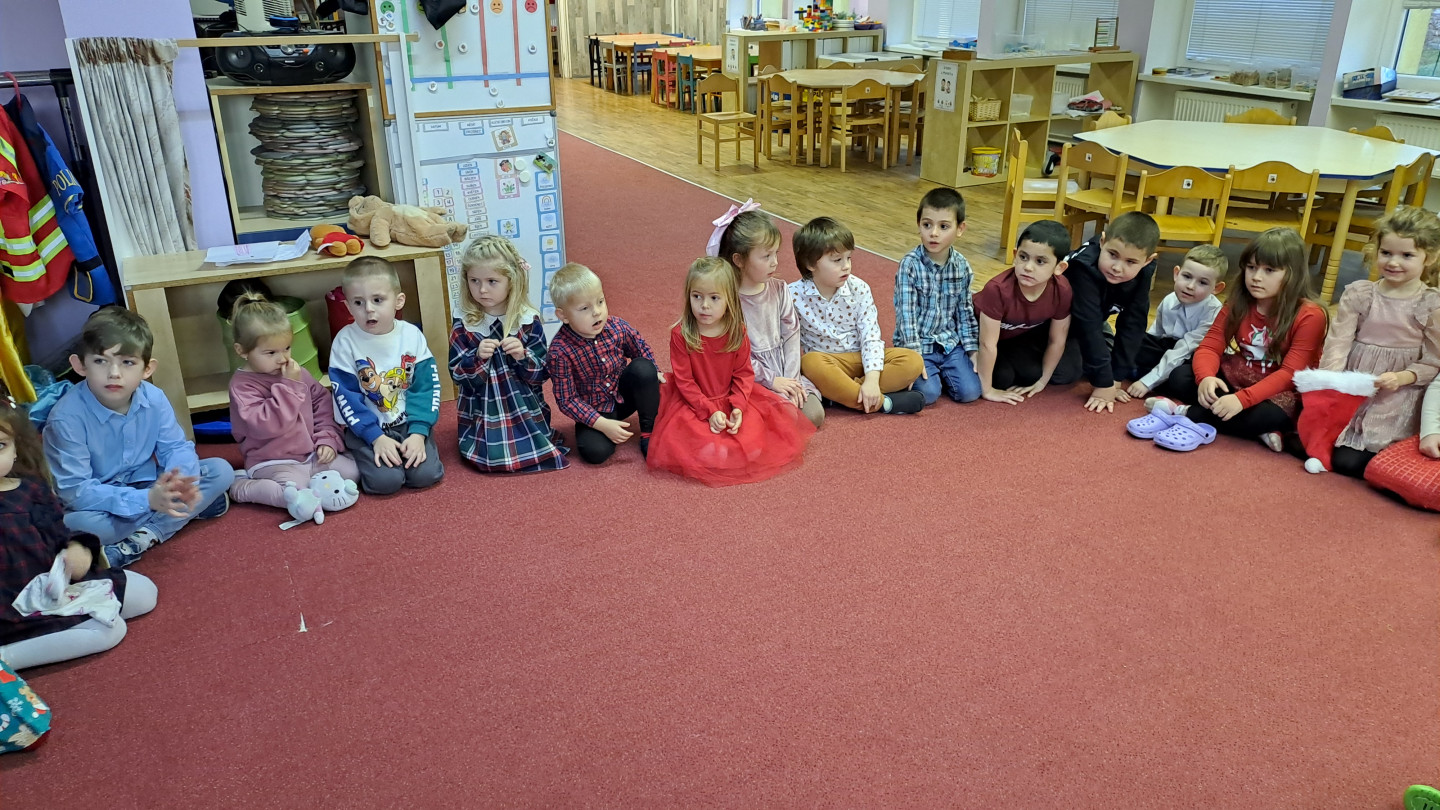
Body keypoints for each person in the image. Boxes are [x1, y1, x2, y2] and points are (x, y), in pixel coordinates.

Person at [43, 307, 234, 568]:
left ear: (147, 369)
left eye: (127, 362)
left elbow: (175, 447)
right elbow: (76, 492)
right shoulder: (65, 419)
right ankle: (181, 513)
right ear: (80, 365)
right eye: (100, 361)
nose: (114, 373)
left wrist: (178, 484)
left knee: (221, 470)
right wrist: (149, 501)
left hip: (147, 484)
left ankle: (141, 538)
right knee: (76, 525)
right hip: (102, 503)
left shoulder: (154, 397)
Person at [0, 404, 158, 670]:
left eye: (0, 445)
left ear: (15, 449)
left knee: (144, 593)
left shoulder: (31, 489)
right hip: (10, 608)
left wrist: (78, 549)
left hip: (50, 585)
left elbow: (59, 535)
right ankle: (6, 658)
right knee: (108, 630)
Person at [1153, 227, 1328, 450]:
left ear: (1292, 274)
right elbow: (1210, 346)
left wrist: (1241, 400)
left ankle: (1183, 412)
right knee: (1180, 377)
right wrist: (1206, 378)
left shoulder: (1310, 315)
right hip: (1239, 375)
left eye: (1269, 270)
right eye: (1251, 267)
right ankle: (1253, 428)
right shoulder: (1240, 301)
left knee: (1270, 415)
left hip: (1278, 391)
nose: (1256, 277)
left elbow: (1289, 374)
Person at [647, 257, 815, 486]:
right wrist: (709, 412)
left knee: (754, 445)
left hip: (732, 398)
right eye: (697, 296)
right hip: (695, 403)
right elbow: (685, 381)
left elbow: (743, 374)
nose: (704, 305)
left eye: (714, 298)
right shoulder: (681, 334)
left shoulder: (737, 331)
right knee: (703, 449)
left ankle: (730, 441)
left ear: (729, 300)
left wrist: (738, 406)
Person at [1312, 206, 1440, 478]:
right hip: (1354, 382)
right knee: (1323, 443)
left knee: (1352, 461)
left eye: (1406, 255)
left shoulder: (1431, 304)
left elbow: (1433, 361)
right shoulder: (1360, 294)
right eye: (1386, 253)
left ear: (1429, 258)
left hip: (1396, 393)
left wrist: (1402, 377)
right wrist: (1331, 385)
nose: (1393, 262)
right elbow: (1338, 343)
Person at [226, 293, 359, 516]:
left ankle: (309, 486)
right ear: (242, 351)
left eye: (287, 348)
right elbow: (268, 425)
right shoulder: (242, 387)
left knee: (353, 472)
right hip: (272, 462)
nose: (283, 359)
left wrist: (327, 439)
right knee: (295, 495)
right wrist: (288, 386)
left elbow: (322, 405)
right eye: (271, 352)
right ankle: (242, 487)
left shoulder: (296, 372)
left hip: (310, 454)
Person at [448, 235, 568, 473]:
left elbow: (542, 373)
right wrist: (477, 357)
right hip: (482, 410)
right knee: (490, 457)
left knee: (533, 444)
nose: (482, 289)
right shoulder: (465, 320)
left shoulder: (527, 319)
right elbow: (456, 373)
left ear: (511, 281)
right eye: (474, 281)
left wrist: (522, 355)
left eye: (492, 281)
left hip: (525, 407)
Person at [329, 256, 445, 494]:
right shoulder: (344, 342)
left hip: (408, 423)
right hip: (367, 428)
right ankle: (358, 454)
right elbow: (346, 397)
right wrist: (375, 437)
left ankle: (411, 445)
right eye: (358, 302)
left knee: (425, 475)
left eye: (378, 300)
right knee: (385, 483)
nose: (368, 309)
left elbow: (426, 387)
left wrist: (418, 432)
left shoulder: (411, 335)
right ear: (348, 307)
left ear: (398, 301)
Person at [789, 216, 925, 414]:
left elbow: (871, 336)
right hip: (827, 362)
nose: (846, 266)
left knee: (912, 360)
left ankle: (840, 396)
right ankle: (884, 403)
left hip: (861, 359)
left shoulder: (859, 288)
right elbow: (788, 341)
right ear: (810, 264)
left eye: (849, 258)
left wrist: (871, 380)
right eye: (837, 260)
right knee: (810, 362)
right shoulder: (792, 296)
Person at [712, 204, 824, 428]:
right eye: (766, 256)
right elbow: (736, 356)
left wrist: (791, 382)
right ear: (739, 260)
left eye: (775, 254)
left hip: (783, 369)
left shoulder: (780, 288)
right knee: (779, 418)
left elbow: (792, 336)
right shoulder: (727, 299)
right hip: (749, 375)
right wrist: (772, 381)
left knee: (814, 415)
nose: (775, 262)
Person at [547, 262, 662, 463]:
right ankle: (605, 427)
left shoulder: (616, 326)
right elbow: (567, 400)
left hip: (624, 396)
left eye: (600, 302)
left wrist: (654, 373)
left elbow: (640, 347)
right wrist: (601, 424)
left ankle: (649, 432)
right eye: (585, 308)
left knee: (644, 368)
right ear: (563, 315)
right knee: (595, 453)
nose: (597, 312)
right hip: (595, 409)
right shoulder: (559, 352)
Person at [1062, 211, 1161, 413]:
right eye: (1112, 255)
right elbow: (1087, 325)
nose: (1117, 267)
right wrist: (1103, 383)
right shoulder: (1083, 268)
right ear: (1102, 241)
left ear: (1148, 261)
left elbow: (1134, 323)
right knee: (1064, 373)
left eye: (1130, 262)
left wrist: (1116, 377)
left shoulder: (1143, 272)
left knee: (1129, 354)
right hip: (1058, 325)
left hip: (1096, 318)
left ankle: (1102, 351)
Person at [893, 187, 982, 406]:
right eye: (927, 225)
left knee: (971, 393)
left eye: (943, 226)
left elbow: (965, 311)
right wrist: (914, 358)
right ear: (919, 225)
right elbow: (906, 316)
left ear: (960, 229)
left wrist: (972, 350)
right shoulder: (909, 265)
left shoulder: (962, 266)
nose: (933, 233)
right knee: (929, 394)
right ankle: (925, 375)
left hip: (950, 344)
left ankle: (942, 373)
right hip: (919, 345)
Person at [972, 220, 1073, 405]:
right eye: (1023, 257)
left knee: (1032, 375)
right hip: (975, 336)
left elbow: (1057, 340)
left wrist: (1042, 382)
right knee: (1000, 378)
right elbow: (987, 344)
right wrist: (987, 390)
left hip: (1010, 338)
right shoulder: (997, 290)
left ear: (1059, 268)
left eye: (1040, 261)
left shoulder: (1062, 290)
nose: (1028, 267)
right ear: (1015, 255)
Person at [1126, 244, 1227, 400]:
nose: (1190, 286)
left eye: (1202, 283)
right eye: (1187, 277)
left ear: (1217, 288)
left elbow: (1183, 351)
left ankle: (1155, 379)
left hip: (1194, 355)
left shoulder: (1213, 312)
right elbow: (1155, 335)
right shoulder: (1169, 300)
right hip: (1168, 347)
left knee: (1180, 378)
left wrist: (1147, 382)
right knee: (1133, 341)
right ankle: (1154, 377)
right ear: (1176, 273)